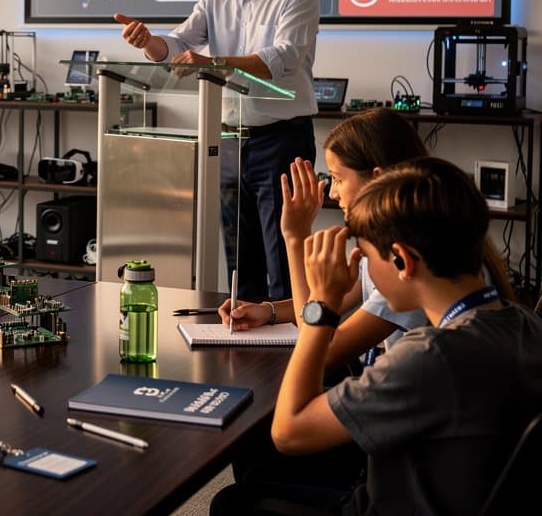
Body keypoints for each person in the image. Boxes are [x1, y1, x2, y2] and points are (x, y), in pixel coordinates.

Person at [216, 157, 542, 514]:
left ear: (402, 261)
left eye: (367, 256)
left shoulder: (430, 357)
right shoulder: (525, 322)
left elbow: (288, 432)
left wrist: (322, 304)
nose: (365, 270)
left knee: (233, 503)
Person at [115, 0, 320, 300]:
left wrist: (213, 62)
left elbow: (284, 57)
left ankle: (291, 337)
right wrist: (150, 43)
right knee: (240, 261)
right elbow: (179, 44)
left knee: (283, 258)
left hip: (281, 141)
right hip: (227, 141)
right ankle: (243, 332)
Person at [220, 107, 517, 375]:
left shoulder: (405, 264)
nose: (332, 193)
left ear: (376, 178)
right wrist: (269, 311)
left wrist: (295, 239)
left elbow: (322, 349)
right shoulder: (401, 244)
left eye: (338, 178)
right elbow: (324, 305)